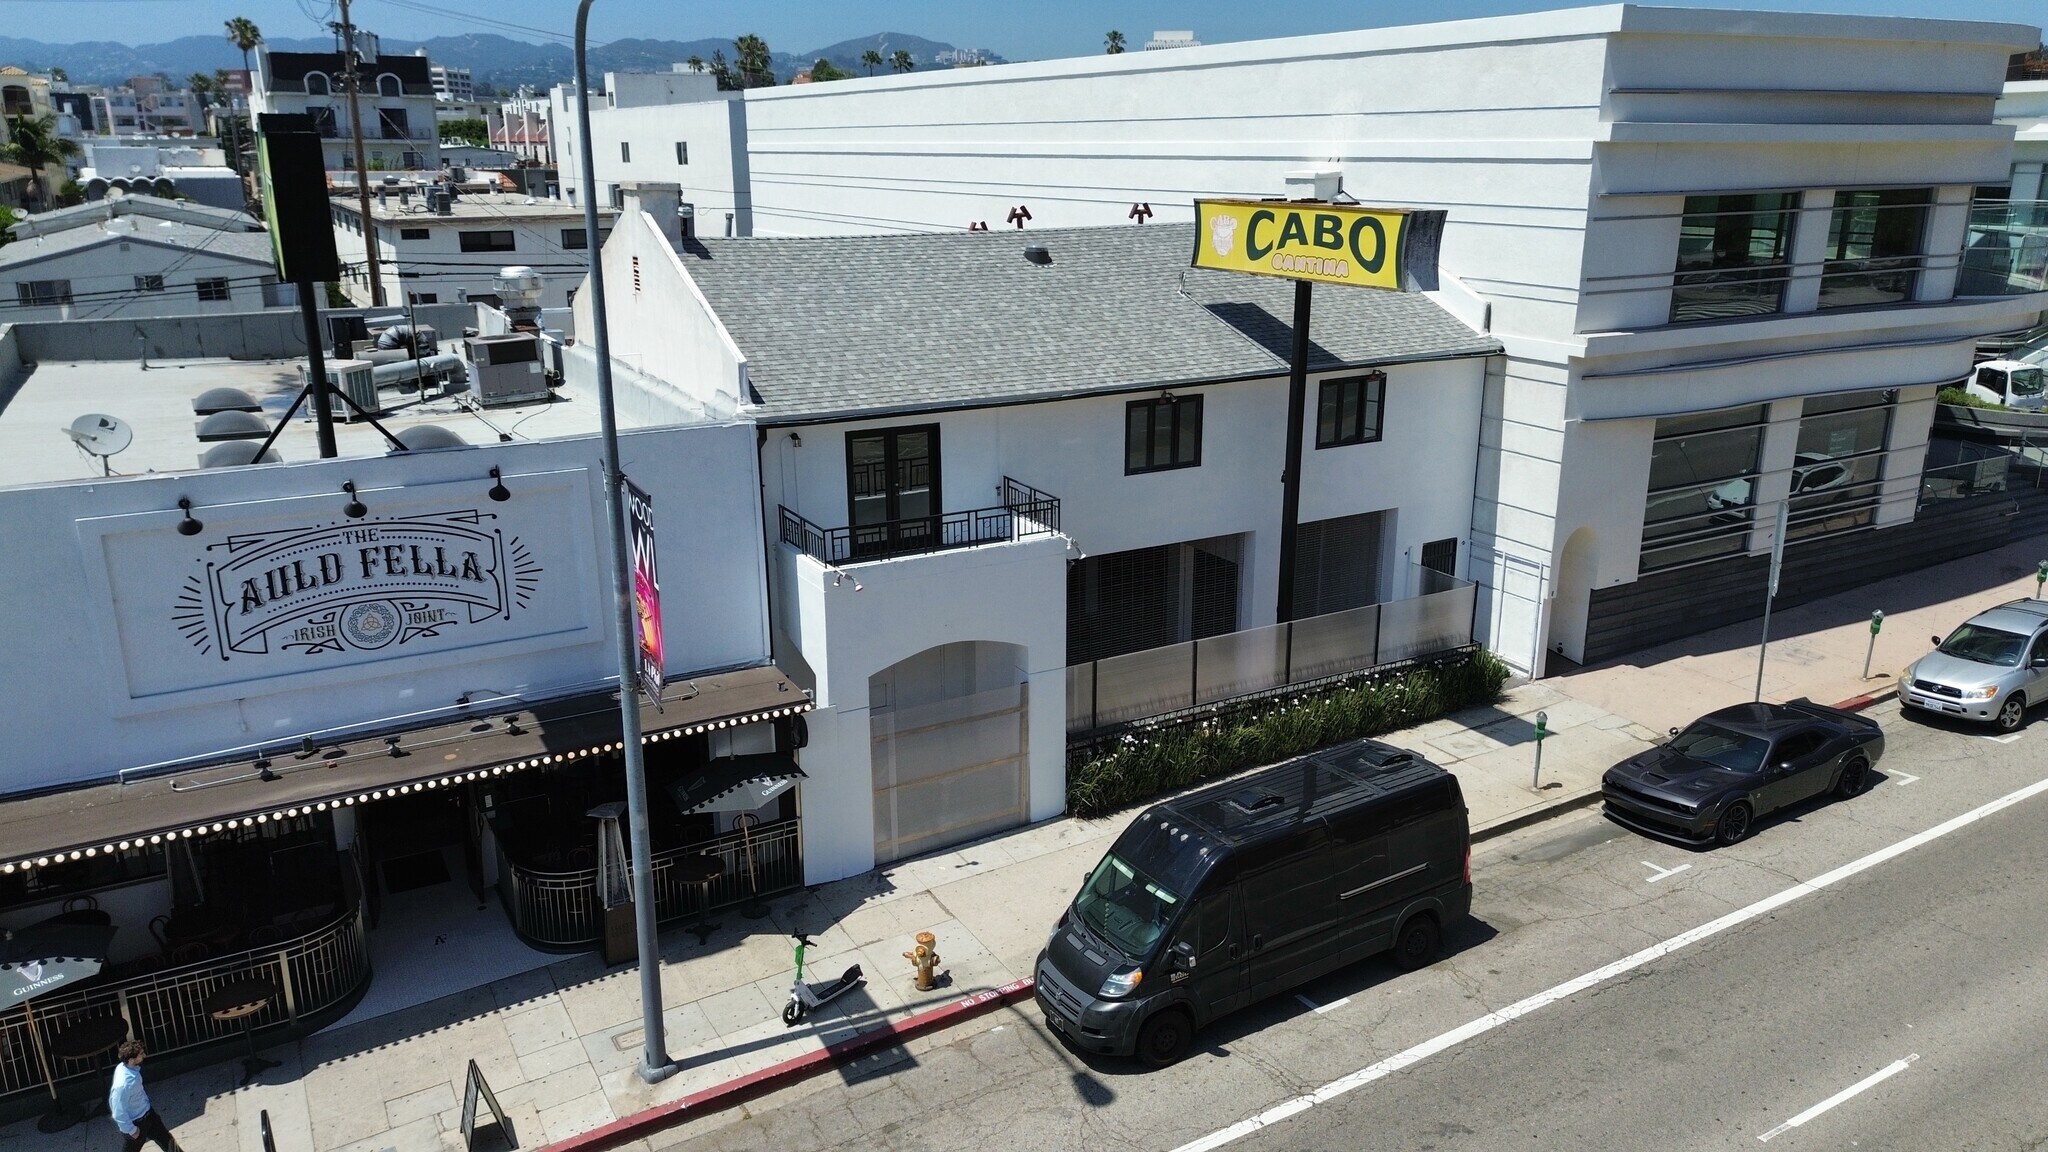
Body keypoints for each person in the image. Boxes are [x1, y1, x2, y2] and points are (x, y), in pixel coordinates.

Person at [108, 1040, 182, 1152]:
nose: (144, 1055)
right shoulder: (123, 1084)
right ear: (131, 1060)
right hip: (137, 1124)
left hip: (148, 1115)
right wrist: (132, 1130)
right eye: (141, 1054)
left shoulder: (127, 1068)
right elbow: (118, 1111)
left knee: (169, 1143)